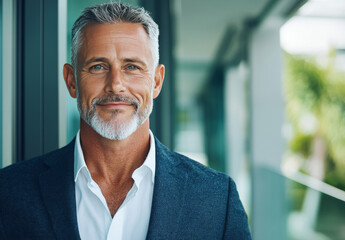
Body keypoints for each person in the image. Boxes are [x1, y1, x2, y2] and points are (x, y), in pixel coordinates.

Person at [0, 2, 251, 239]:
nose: (116, 85)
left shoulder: (217, 199)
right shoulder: (9, 192)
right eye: (98, 66)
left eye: (132, 67)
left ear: (156, 81)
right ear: (72, 81)